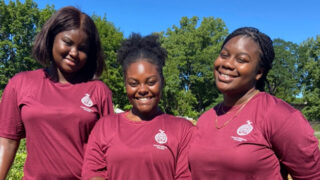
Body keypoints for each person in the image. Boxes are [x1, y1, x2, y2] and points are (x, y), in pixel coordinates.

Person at [188, 27, 320, 179]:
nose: (227, 64)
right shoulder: (206, 119)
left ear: (259, 72)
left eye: (241, 60)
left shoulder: (280, 116)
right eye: (224, 55)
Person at [0, 6, 114, 179]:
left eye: (82, 48)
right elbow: (7, 142)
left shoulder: (98, 91)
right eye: (67, 42)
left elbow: (109, 150)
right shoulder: (21, 83)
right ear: (51, 38)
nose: (74, 53)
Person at [81, 33, 194, 180]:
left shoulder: (183, 130)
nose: (142, 90)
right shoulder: (105, 126)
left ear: (162, 82)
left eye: (151, 82)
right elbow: (93, 172)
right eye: (133, 83)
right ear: (126, 85)